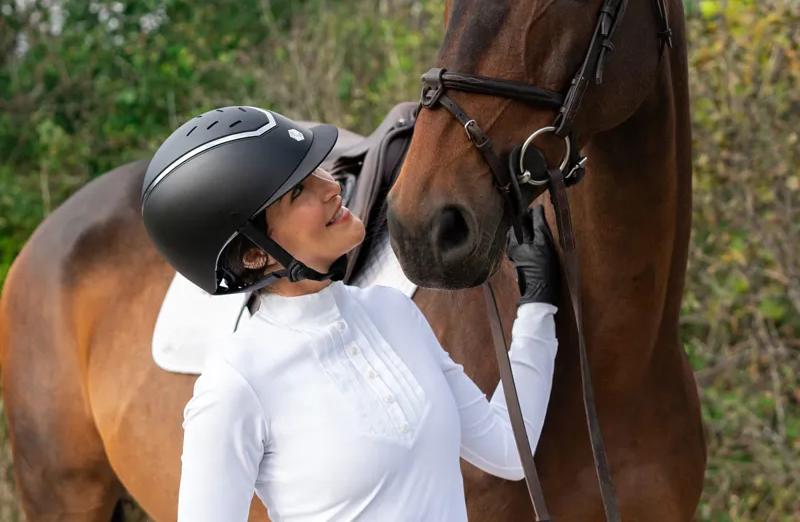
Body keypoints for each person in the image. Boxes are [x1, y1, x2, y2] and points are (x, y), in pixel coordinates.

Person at [141, 105, 560, 522]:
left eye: (319, 169)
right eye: (298, 191)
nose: (331, 186)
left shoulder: (392, 311)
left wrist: (537, 303)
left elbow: (508, 451)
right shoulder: (235, 385)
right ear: (253, 254)